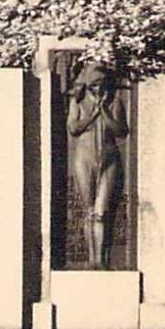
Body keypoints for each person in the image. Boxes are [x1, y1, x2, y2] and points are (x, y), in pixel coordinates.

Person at [66, 61, 129, 268]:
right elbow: (74, 128)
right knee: (90, 210)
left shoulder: (114, 102)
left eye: (102, 84)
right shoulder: (78, 103)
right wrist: (92, 114)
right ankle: (91, 259)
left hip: (109, 158)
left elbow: (121, 130)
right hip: (84, 158)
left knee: (102, 213)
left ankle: (102, 260)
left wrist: (104, 111)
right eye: (94, 85)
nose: (99, 88)